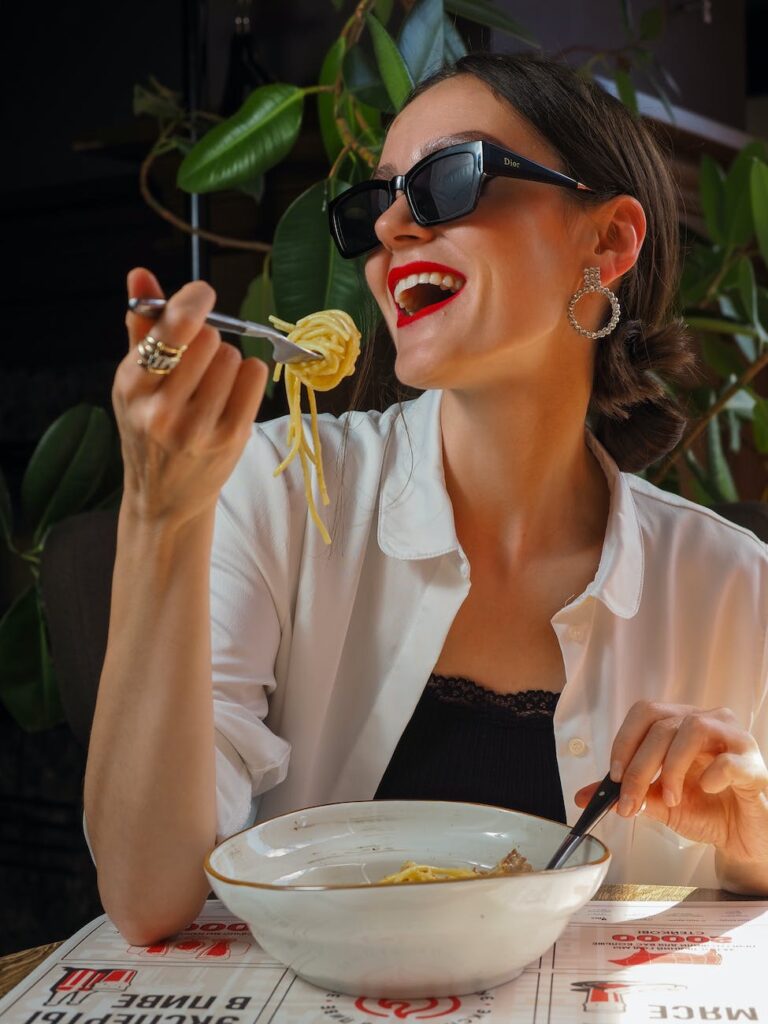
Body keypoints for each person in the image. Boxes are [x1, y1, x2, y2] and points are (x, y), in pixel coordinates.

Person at [83, 52, 768, 946]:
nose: (394, 227)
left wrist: (756, 837)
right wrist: (157, 512)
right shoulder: (277, 489)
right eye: (374, 205)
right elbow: (146, 895)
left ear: (606, 243)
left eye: (450, 179)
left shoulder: (731, 585)